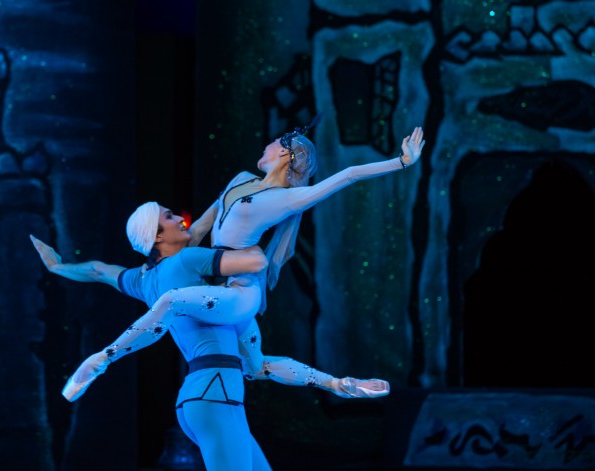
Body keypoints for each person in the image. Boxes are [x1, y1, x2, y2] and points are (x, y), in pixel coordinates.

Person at [60, 121, 424, 401]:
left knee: (171, 301)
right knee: (256, 366)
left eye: (276, 140)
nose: (268, 142)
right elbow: (200, 227)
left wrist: (401, 162)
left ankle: (101, 360)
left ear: (287, 154)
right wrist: (159, 262)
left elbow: (348, 175)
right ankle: (339, 384)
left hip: (241, 294)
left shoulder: (286, 199)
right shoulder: (242, 179)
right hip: (222, 291)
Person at [31, 205, 386, 470]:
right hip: (215, 395)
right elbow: (253, 261)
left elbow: (97, 270)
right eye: (170, 217)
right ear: (157, 237)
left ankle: (100, 360)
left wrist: (335, 383)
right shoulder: (187, 261)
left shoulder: (144, 281)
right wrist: (260, 210)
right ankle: (101, 359)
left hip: (207, 397)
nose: (181, 220)